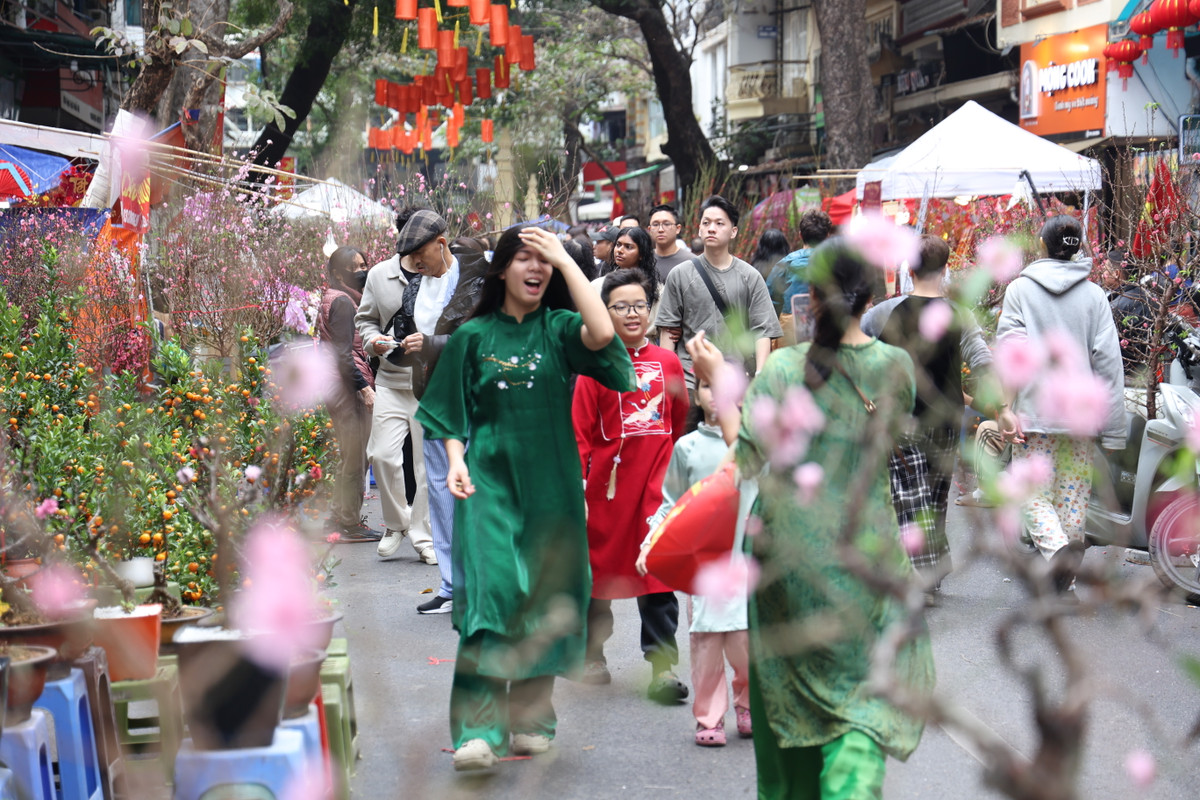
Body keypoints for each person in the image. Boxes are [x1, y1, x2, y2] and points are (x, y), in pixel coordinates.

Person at [693, 239, 935, 798]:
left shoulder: (782, 369)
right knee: (861, 694)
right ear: (870, 298)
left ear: (811, 300)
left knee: (791, 696)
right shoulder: (895, 366)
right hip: (867, 555)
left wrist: (719, 379)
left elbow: (745, 457)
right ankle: (852, 783)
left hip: (789, 559)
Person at [414, 226, 635, 771]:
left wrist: (567, 259)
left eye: (546, 261)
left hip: (552, 490)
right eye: (525, 258)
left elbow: (602, 333)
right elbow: (448, 412)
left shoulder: (559, 330)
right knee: (490, 601)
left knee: (542, 599)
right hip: (488, 485)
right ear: (501, 269)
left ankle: (531, 720)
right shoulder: (471, 337)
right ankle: (477, 732)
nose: (537, 268)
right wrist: (457, 459)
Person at [861, 235, 1016, 588]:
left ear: (910, 270)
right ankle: (929, 573)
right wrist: (1003, 409)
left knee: (909, 499)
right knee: (933, 497)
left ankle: (923, 574)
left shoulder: (882, 313)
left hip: (900, 419)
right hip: (946, 421)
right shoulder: (959, 315)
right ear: (945, 270)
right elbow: (983, 363)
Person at [572, 269, 689, 701]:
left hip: (656, 488)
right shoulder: (593, 367)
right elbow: (580, 431)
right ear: (605, 312)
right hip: (606, 492)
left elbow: (678, 421)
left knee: (657, 571)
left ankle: (662, 668)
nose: (633, 313)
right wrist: (578, 485)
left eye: (640, 305)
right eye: (621, 307)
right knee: (598, 576)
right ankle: (592, 655)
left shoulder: (668, 362)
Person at [997, 215, 1125, 595]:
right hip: (1080, 415)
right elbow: (1108, 361)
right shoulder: (1095, 295)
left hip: (1034, 413)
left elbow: (1011, 352)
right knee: (1073, 497)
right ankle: (1064, 585)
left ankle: (1056, 552)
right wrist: (1114, 429)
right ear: (1078, 247)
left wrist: (1005, 407)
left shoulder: (1020, 290)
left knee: (1030, 493)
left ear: (1041, 244)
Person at [636, 378, 750, 747]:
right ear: (696, 394)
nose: (715, 394)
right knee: (706, 644)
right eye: (706, 385)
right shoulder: (686, 447)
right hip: (703, 567)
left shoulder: (753, 445)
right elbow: (670, 503)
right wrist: (650, 543)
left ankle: (748, 705)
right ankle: (709, 718)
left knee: (747, 642)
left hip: (746, 560)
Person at [386, 210, 488, 614]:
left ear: (441, 243)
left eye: (419, 254)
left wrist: (431, 345)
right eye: (408, 258)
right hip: (432, 397)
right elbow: (406, 334)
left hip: (476, 397)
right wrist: (394, 346)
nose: (414, 263)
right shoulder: (415, 287)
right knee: (442, 494)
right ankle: (450, 586)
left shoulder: (477, 279)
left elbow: (480, 338)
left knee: (475, 490)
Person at [356, 209, 436, 564]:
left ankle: (424, 536)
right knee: (382, 455)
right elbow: (365, 320)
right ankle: (397, 523)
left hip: (429, 385)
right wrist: (373, 341)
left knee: (426, 465)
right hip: (390, 380)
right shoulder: (379, 274)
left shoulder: (440, 274)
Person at [656, 195, 782, 389]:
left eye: (719, 223)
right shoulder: (680, 275)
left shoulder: (750, 276)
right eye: (706, 223)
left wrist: (760, 375)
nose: (711, 228)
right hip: (691, 380)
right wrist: (668, 379)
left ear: (733, 232)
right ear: (699, 229)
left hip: (737, 379)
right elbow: (667, 329)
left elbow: (762, 330)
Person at [316, 246, 379, 542]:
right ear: (339, 274)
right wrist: (363, 389)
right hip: (346, 387)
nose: (361, 271)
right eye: (354, 267)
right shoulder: (342, 302)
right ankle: (349, 523)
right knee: (356, 456)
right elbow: (343, 355)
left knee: (349, 455)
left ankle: (337, 517)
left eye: (363, 265)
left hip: (337, 385)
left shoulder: (335, 297)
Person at [1098, 248, 1155, 375]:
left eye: (1104, 271)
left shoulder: (1116, 307)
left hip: (1125, 374)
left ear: (1116, 273)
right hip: (1146, 370)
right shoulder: (1145, 296)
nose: (1102, 275)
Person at [766, 209, 833, 316]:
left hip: (791, 322)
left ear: (800, 235)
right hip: (828, 323)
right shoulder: (838, 265)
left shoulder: (785, 264)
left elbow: (769, 299)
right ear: (827, 236)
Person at [647, 204, 693, 282]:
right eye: (655, 225)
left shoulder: (691, 262)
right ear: (650, 230)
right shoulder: (644, 260)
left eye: (667, 224)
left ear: (678, 229)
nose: (660, 229)